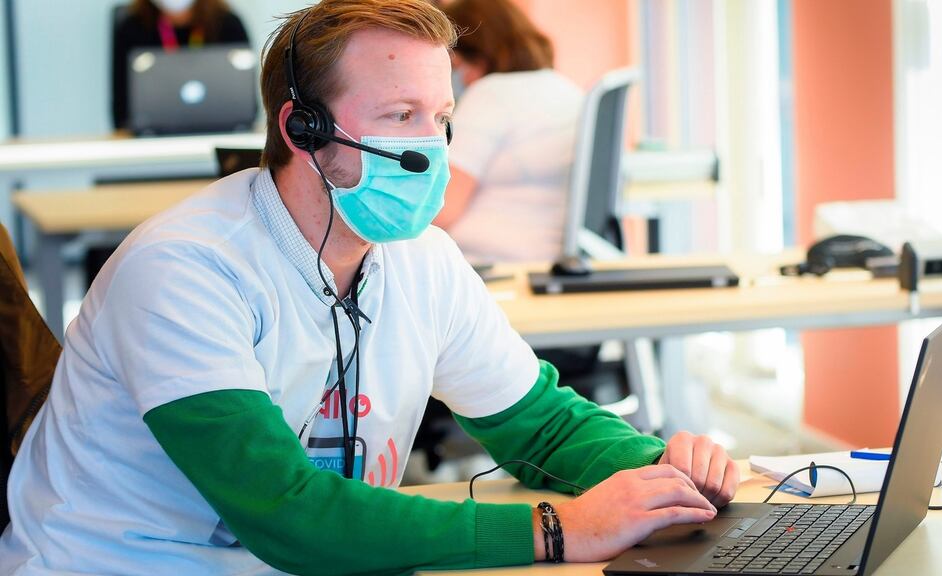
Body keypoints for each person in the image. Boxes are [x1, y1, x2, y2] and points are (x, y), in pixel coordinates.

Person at [0, 1, 738, 574]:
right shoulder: (183, 271)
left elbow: (539, 428)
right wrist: (559, 529)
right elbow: (289, 515)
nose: (430, 146)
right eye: (400, 116)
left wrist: (660, 473)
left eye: (442, 118)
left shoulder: (425, 261)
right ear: (304, 129)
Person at [434, 0, 583, 264]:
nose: (461, 80)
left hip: (488, 264)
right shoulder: (564, 88)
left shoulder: (491, 94)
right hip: (542, 259)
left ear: (479, 55)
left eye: (457, 68)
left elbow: (441, 210)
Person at [111, 0, 249, 130]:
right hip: (152, 140)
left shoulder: (229, 24)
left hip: (220, 133)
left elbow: (247, 105)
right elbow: (121, 113)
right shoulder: (131, 28)